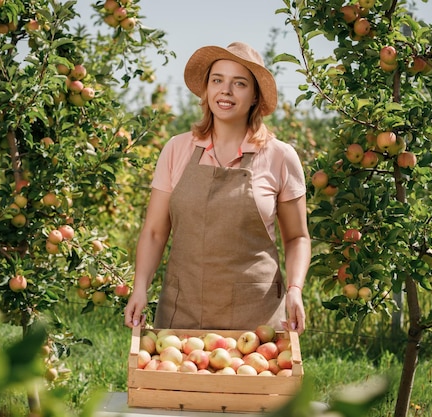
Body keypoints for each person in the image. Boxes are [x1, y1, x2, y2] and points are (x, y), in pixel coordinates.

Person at [123, 42, 311, 334]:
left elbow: (297, 237)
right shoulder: (177, 149)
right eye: (217, 80)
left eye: (239, 83)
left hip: (256, 319)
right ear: (207, 90)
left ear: (254, 97)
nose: (226, 90)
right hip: (181, 311)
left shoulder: (279, 156)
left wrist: (295, 289)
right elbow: (155, 232)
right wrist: (140, 287)